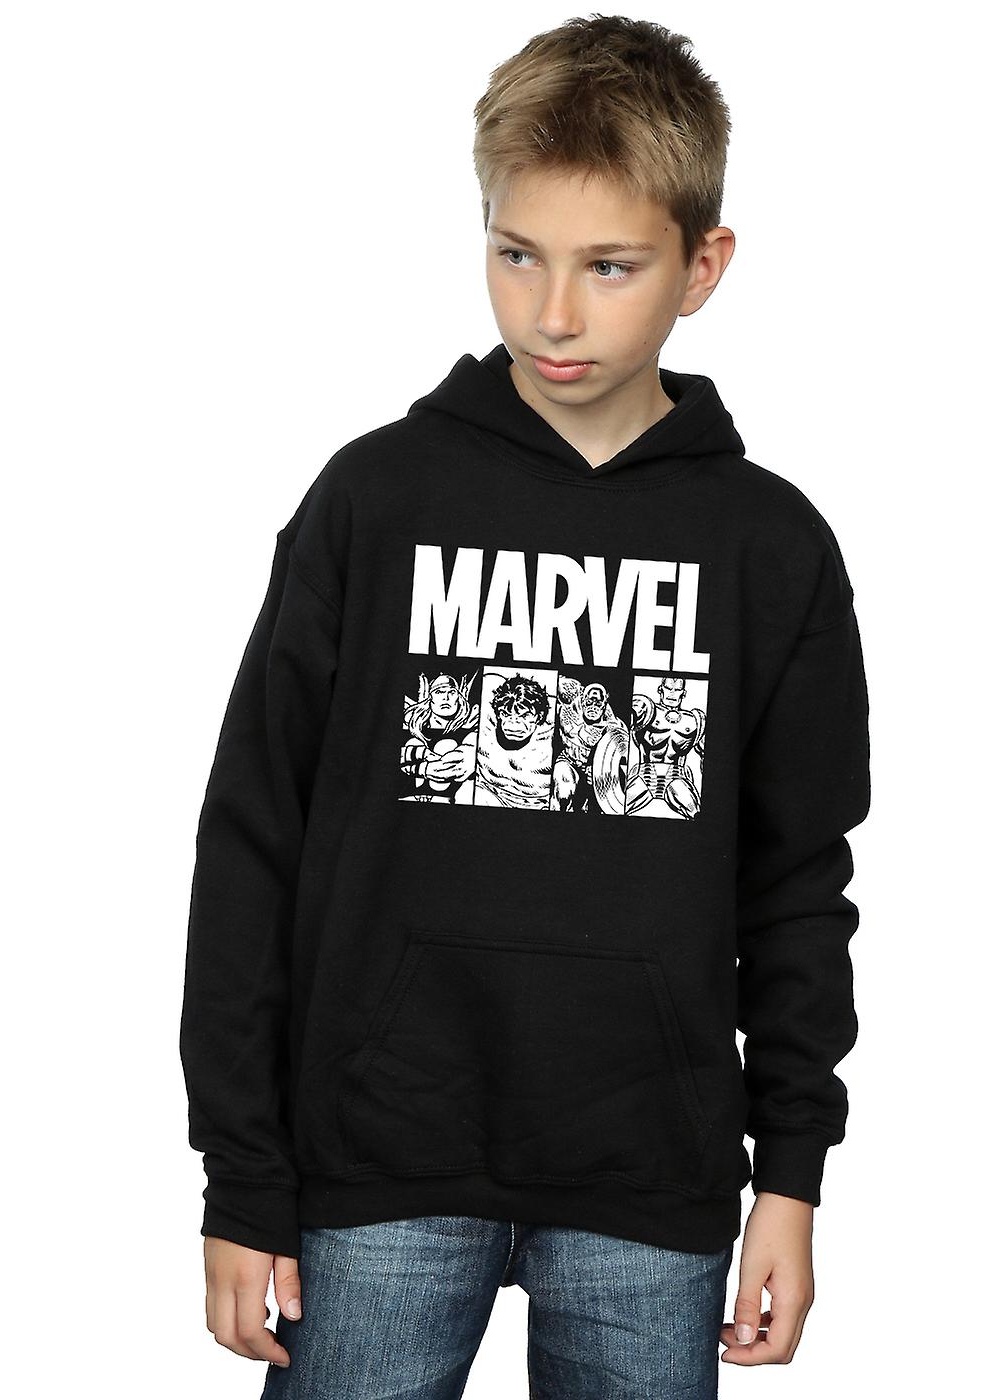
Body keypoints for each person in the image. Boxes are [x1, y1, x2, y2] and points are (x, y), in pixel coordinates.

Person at [179, 14, 871, 1398]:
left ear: (703, 266)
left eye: (610, 267)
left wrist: (791, 1179)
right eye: (517, 255)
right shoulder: (375, 500)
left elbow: (797, 883)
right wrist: (241, 1175)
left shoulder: (767, 546)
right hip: (376, 1164)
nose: (554, 314)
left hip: (650, 1181)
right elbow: (253, 838)